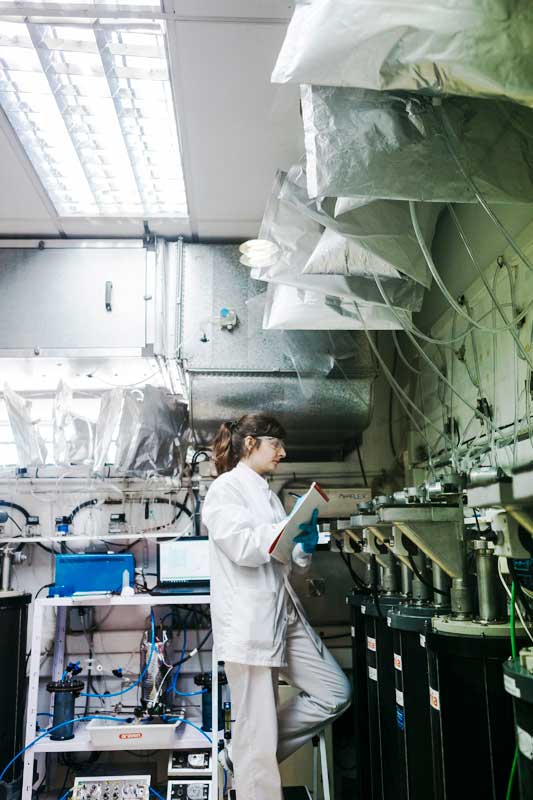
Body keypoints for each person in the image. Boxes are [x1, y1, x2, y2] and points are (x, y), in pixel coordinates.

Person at [202, 413, 352, 800]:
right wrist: (284, 531)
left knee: (335, 692)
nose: (283, 453)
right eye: (276, 445)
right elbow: (244, 547)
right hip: (251, 624)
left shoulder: (266, 494)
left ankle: (244, 752)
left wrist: (302, 542)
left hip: (283, 614)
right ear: (250, 443)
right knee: (258, 733)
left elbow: (280, 554)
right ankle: (251, 755)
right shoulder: (225, 489)